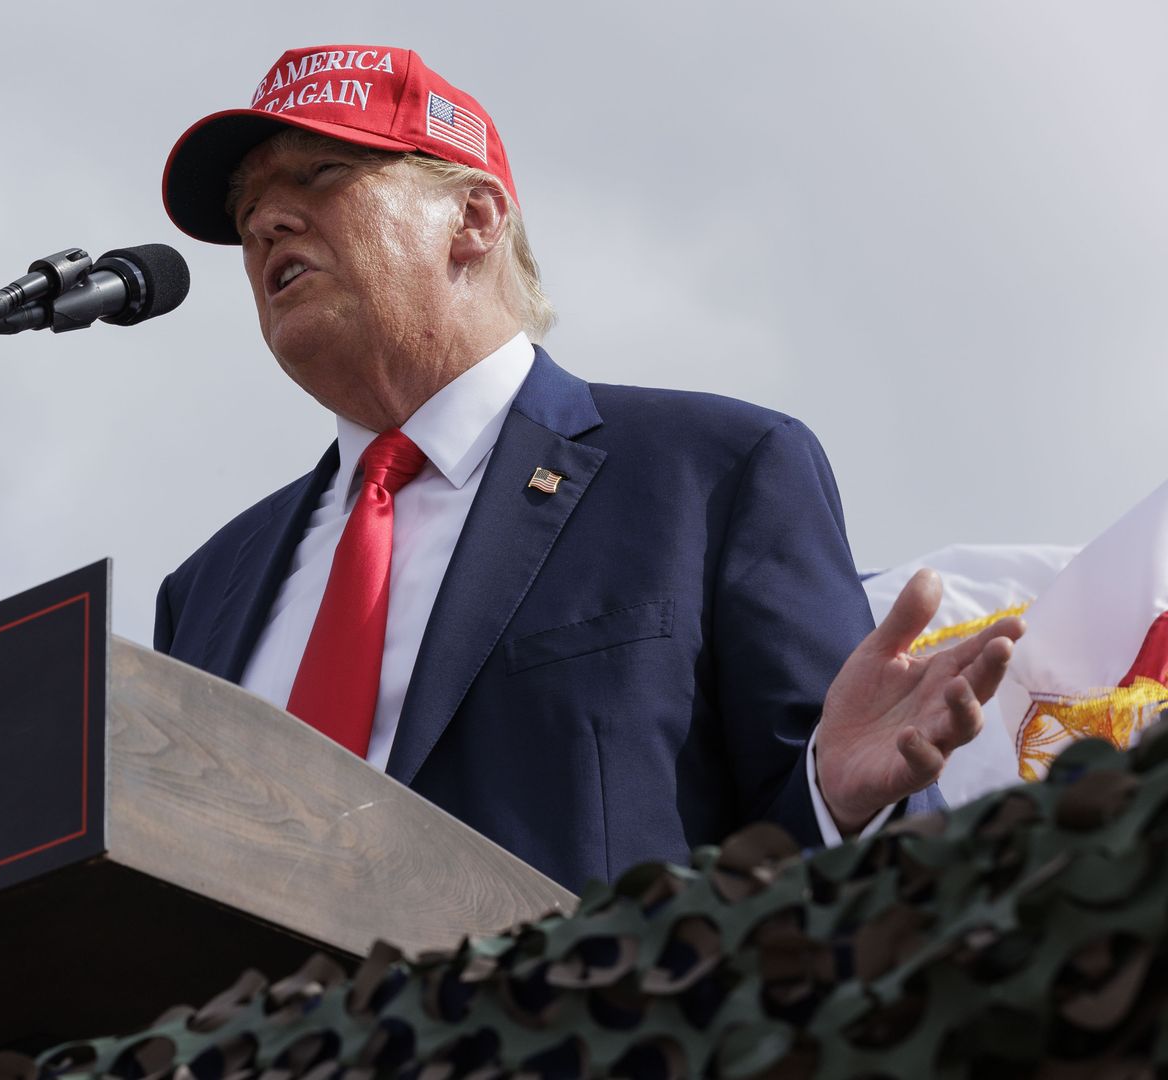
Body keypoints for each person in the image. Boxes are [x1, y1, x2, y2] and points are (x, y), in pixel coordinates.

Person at [151, 45, 1022, 892]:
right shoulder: (205, 591)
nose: (266, 223)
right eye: (247, 212)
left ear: (476, 218)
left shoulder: (713, 475)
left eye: (321, 175)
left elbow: (843, 885)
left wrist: (839, 804)